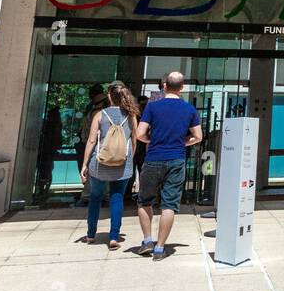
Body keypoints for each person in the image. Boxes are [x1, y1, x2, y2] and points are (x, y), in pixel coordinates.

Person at [134, 71, 202, 261]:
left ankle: (147, 240)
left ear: (164, 86)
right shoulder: (189, 109)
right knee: (169, 204)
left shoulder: (152, 107)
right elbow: (198, 136)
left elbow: (139, 134)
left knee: (145, 200)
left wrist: (151, 140)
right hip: (176, 159)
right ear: (182, 88)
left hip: (153, 158)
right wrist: (182, 143)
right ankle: (160, 248)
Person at [78, 81, 140, 249]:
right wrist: (130, 160)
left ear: (109, 97)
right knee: (117, 198)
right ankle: (114, 237)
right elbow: (134, 140)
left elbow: (91, 140)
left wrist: (84, 164)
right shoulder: (131, 115)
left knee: (95, 197)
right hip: (122, 165)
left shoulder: (100, 114)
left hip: (100, 163)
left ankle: (91, 234)